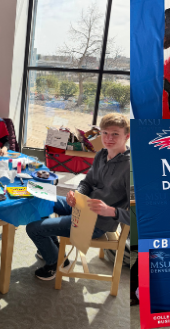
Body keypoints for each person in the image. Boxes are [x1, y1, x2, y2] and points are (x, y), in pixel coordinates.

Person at [26, 113, 131, 280]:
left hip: (96, 223)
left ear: (127, 136)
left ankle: (55, 261)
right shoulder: (101, 155)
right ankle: (52, 246)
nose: (109, 138)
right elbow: (87, 182)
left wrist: (111, 211)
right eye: (105, 133)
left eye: (115, 134)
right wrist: (78, 193)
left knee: (33, 228)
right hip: (82, 206)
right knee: (40, 198)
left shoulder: (131, 168)